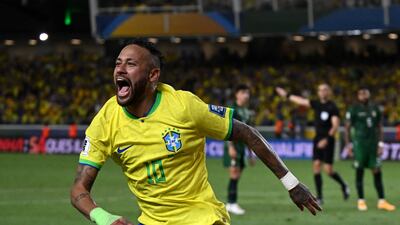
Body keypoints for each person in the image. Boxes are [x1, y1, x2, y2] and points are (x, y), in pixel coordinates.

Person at [70, 40, 321, 225]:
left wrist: (291, 183)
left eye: (131, 64)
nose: (120, 70)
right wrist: (103, 217)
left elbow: (246, 132)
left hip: (202, 218)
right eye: (118, 64)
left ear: (153, 75)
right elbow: (79, 189)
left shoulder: (184, 107)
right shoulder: (106, 120)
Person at [276, 84, 349, 204]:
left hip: (328, 140)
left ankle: (344, 185)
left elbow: (335, 125)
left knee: (328, 170)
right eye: (320, 90)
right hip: (317, 138)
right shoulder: (316, 104)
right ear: (318, 92)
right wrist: (287, 95)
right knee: (316, 166)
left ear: (329, 92)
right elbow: (301, 101)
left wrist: (326, 139)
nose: (322, 92)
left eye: (325, 90)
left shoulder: (333, 107)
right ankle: (320, 197)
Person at [345, 87, 396, 211]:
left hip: (373, 145)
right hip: (360, 145)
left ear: (369, 94)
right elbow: (347, 128)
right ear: (358, 96)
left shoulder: (375, 109)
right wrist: (348, 145)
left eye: (364, 93)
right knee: (360, 171)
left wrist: (381, 144)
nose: (362, 95)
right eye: (360, 93)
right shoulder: (353, 109)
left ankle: (382, 201)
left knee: (377, 171)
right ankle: (361, 201)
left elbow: (379, 126)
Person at [223, 84, 253, 215]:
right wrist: (230, 147)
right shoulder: (232, 110)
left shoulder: (247, 112)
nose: (246, 95)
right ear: (237, 94)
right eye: (243, 92)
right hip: (233, 146)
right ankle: (231, 203)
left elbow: (250, 134)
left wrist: (251, 154)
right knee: (234, 174)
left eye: (247, 92)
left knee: (237, 175)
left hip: (242, 148)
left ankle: (231, 203)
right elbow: (225, 128)